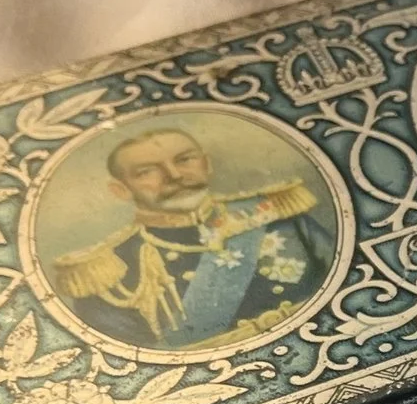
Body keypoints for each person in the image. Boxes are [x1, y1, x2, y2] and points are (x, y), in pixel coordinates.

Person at [48, 124, 333, 349]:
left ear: (206, 164)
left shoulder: (276, 213)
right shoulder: (106, 271)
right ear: (121, 190)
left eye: (184, 160)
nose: (173, 175)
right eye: (147, 171)